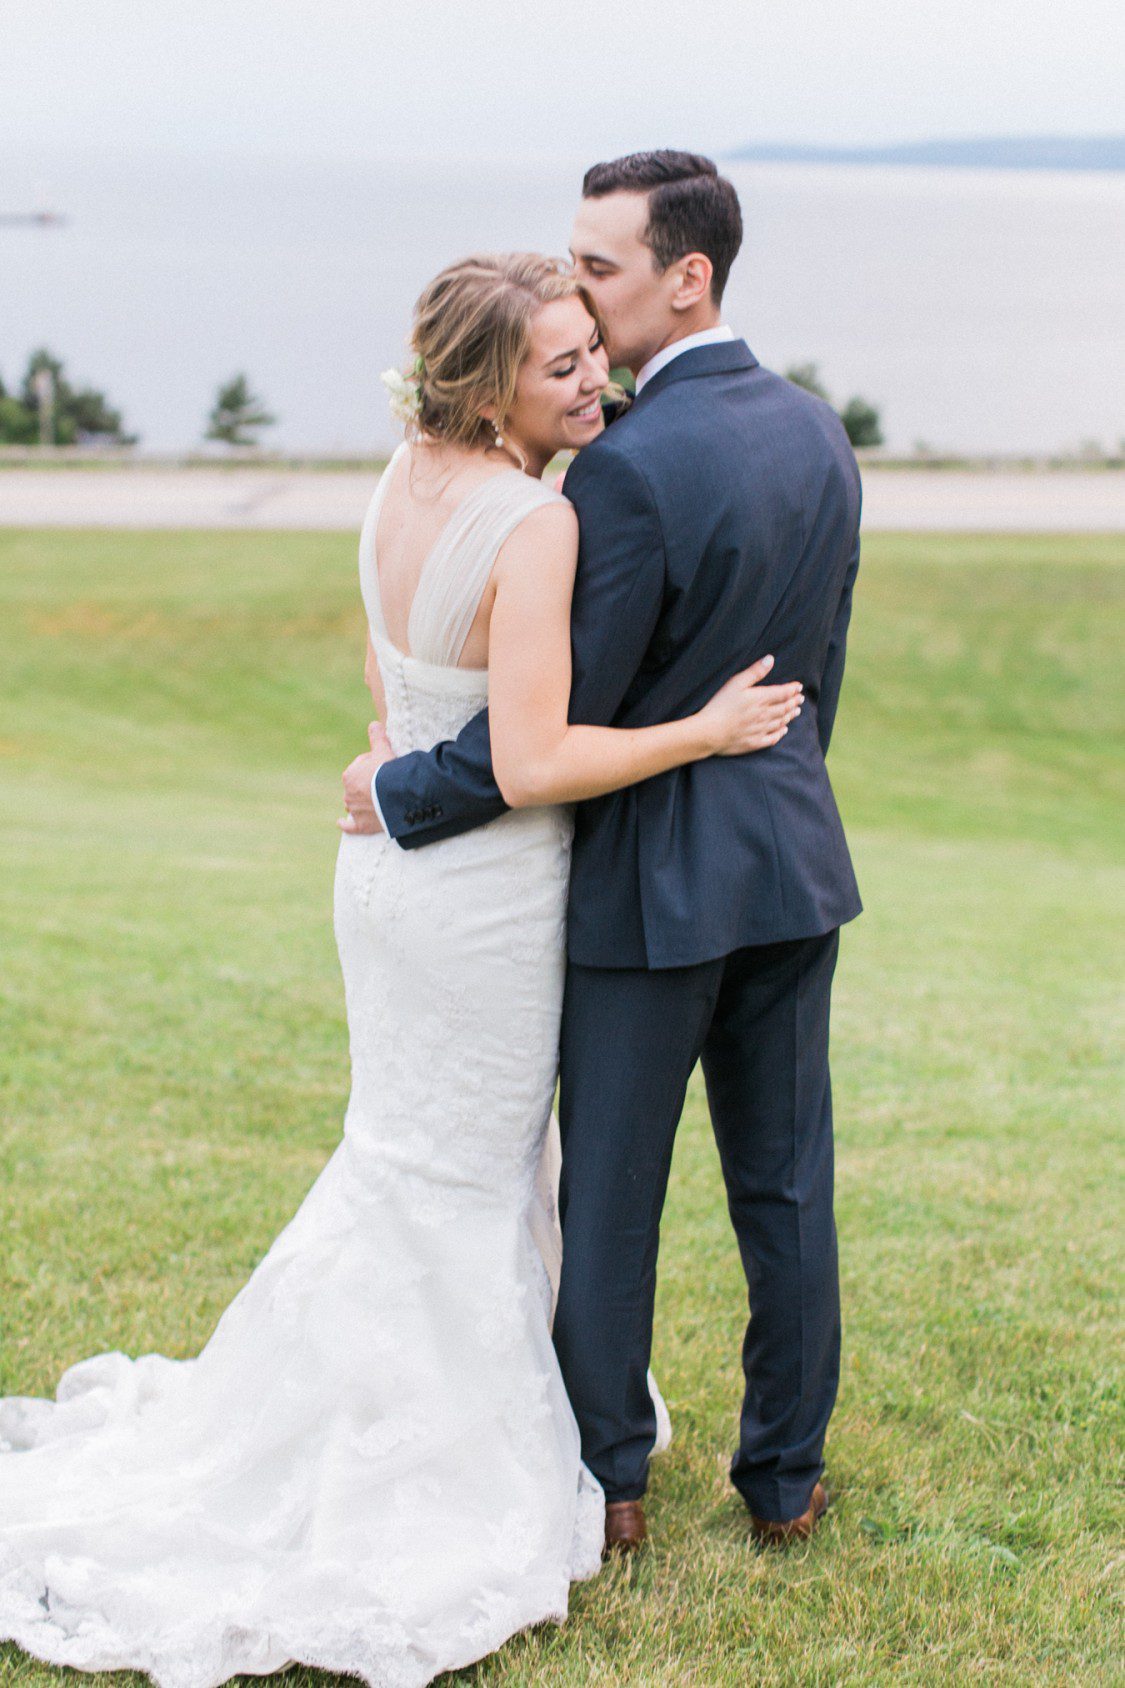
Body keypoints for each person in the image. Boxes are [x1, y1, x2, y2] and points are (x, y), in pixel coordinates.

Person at [0, 251, 800, 1686]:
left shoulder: (395, 478)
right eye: (559, 366)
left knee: (407, 1158)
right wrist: (704, 730)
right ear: (488, 383)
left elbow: (391, 688)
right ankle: (430, 1459)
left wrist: (392, 764)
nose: (593, 383)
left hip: (385, 880)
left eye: (588, 354)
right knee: (467, 1170)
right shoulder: (532, 527)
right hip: (484, 896)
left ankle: (386, 1412)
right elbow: (532, 758)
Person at [345, 150, 863, 1552]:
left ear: (683, 277)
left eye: (598, 267)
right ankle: (785, 1477)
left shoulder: (618, 471)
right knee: (785, 1181)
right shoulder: (819, 430)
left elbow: (546, 722)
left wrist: (396, 791)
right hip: (792, 868)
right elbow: (814, 676)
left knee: (613, 1193)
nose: (573, 285)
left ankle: (609, 1483)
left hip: (647, 889)